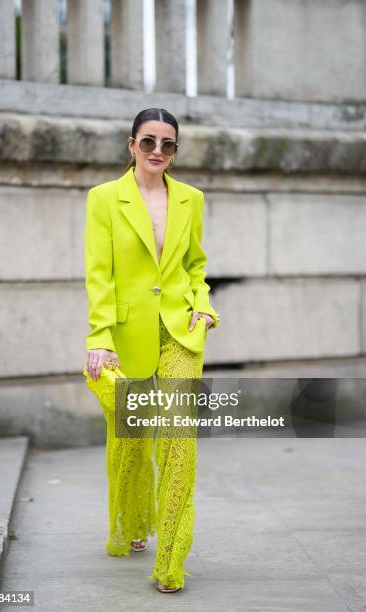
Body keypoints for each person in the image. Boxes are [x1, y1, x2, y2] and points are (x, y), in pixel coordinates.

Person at [83, 107, 220, 593]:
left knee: (180, 442)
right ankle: (133, 523)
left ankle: (172, 559)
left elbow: (196, 266)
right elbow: (100, 274)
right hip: (125, 334)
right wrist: (99, 336)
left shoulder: (191, 199)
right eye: (148, 142)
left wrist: (204, 307)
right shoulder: (104, 199)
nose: (158, 152)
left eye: (168, 144)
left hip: (180, 331)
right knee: (132, 441)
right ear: (131, 144)